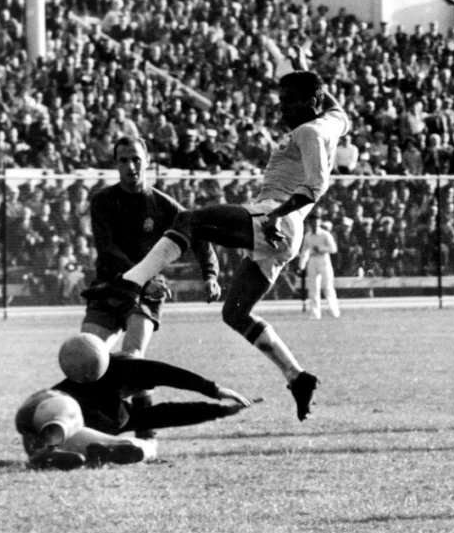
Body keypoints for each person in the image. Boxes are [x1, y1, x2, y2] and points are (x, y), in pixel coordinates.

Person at [84, 70, 350, 422]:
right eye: (281, 98)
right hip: (281, 227)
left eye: (290, 99)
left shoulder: (310, 131)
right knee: (235, 313)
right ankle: (297, 377)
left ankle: (130, 283)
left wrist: (274, 217)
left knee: (190, 220)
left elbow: (315, 186)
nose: (281, 106)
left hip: (276, 217)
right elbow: (341, 113)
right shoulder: (331, 122)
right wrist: (309, 73)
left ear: (311, 102)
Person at [82, 135, 222, 436]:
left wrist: (210, 274)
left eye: (136, 159)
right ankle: (93, 428)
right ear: (115, 164)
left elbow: (197, 234)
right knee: (87, 358)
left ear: (147, 161)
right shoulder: (102, 202)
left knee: (133, 357)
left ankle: (146, 432)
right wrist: (142, 277)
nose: (131, 165)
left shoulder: (163, 204)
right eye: (123, 160)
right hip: (110, 286)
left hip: (147, 292)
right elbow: (107, 249)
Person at [16, 335, 256, 469]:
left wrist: (219, 410)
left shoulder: (121, 412)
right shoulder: (117, 373)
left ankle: (48, 454)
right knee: (73, 416)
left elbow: (168, 413)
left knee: (108, 441)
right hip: (54, 411)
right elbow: (165, 374)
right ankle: (49, 449)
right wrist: (213, 390)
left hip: (54, 428)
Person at [296, 219, 340, 319]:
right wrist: (301, 266)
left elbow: (333, 249)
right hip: (312, 260)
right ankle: (315, 313)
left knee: (328, 286)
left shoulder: (325, 234)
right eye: (312, 224)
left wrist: (322, 249)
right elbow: (304, 252)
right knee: (313, 288)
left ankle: (334, 312)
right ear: (310, 224)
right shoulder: (307, 236)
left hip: (324, 259)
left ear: (319, 223)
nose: (314, 225)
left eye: (316, 223)